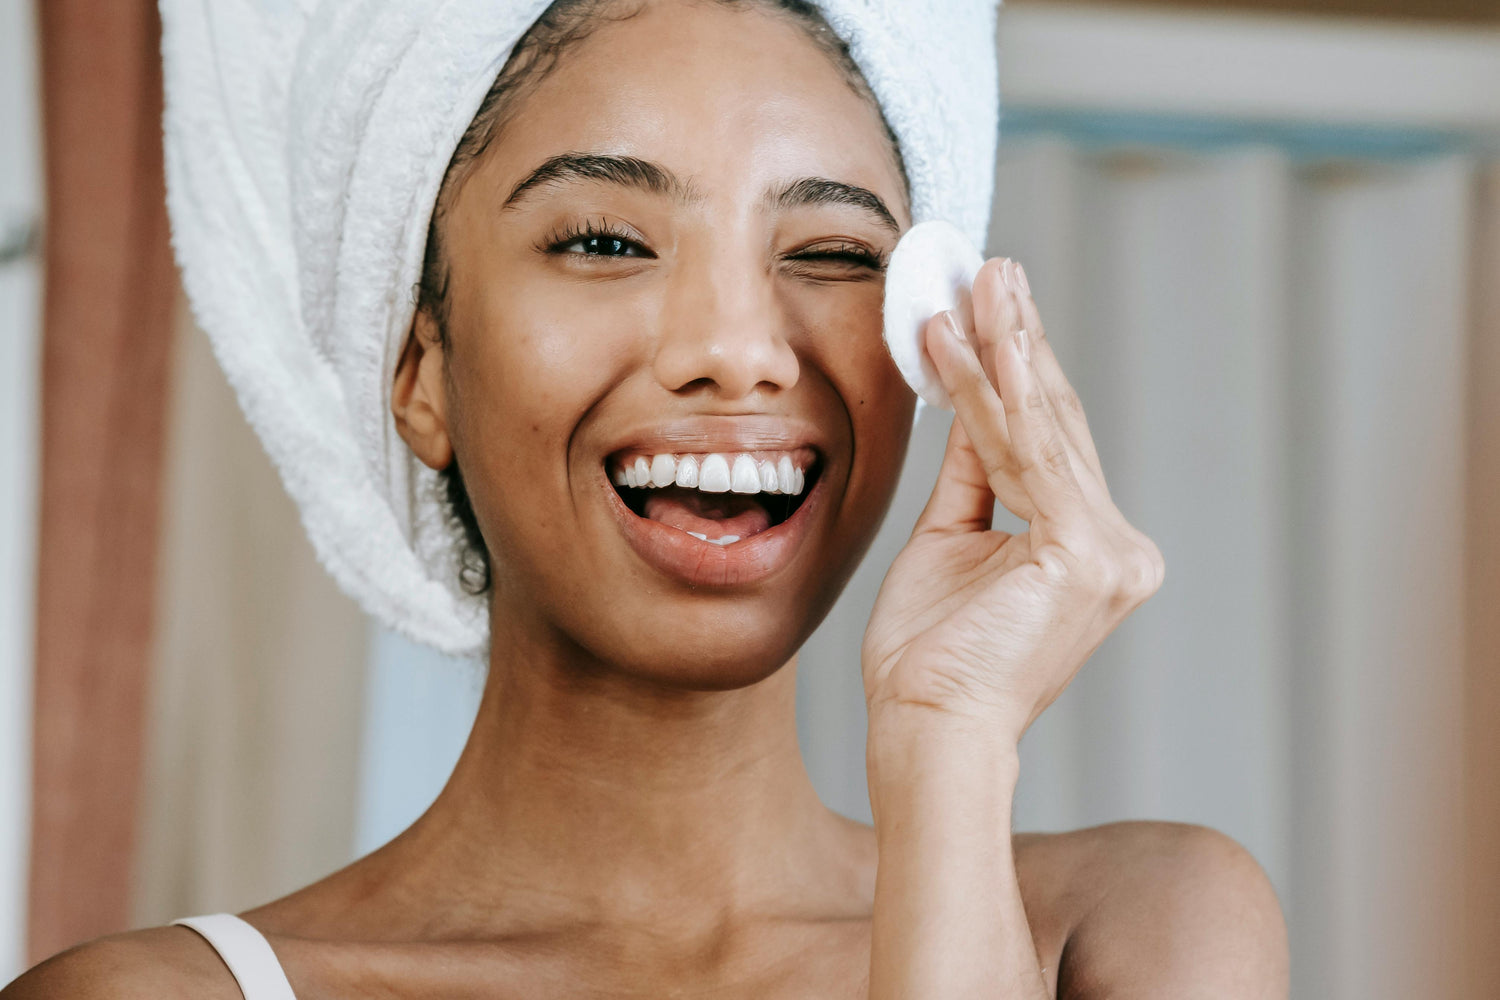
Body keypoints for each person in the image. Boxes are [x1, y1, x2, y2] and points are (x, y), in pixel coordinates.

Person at [5, 0, 1288, 996]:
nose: (740, 347)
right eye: (604, 241)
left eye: (834, 253)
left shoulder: (1132, 929)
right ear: (419, 372)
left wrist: (949, 750)